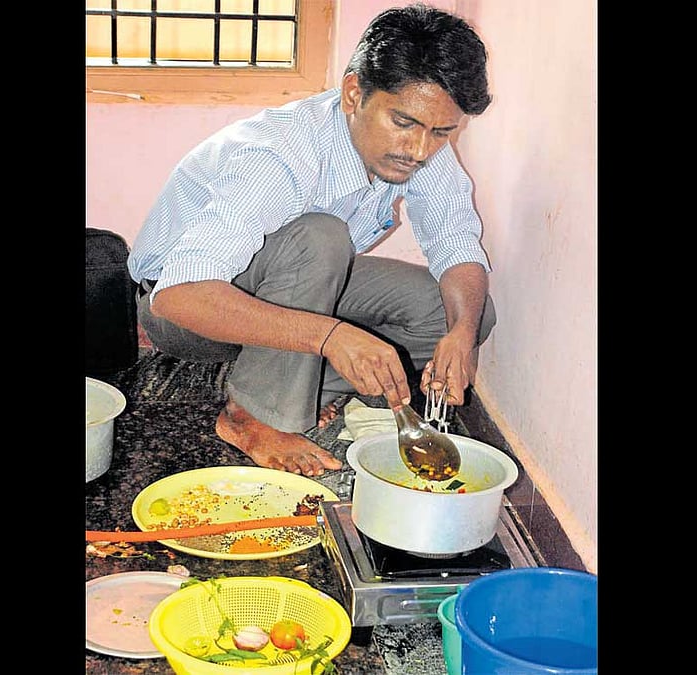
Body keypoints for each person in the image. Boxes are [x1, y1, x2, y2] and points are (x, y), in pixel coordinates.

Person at [128, 3, 496, 477]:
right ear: (353, 94)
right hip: (187, 312)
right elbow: (176, 298)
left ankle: (279, 388)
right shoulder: (280, 156)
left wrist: (461, 336)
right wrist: (331, 336)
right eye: (403, 123)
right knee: (321, 237)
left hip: (293, 285)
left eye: (441, 132)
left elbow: (456, 242)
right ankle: (252, 416)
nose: (420, 150)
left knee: (462, 312)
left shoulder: (419, 147)